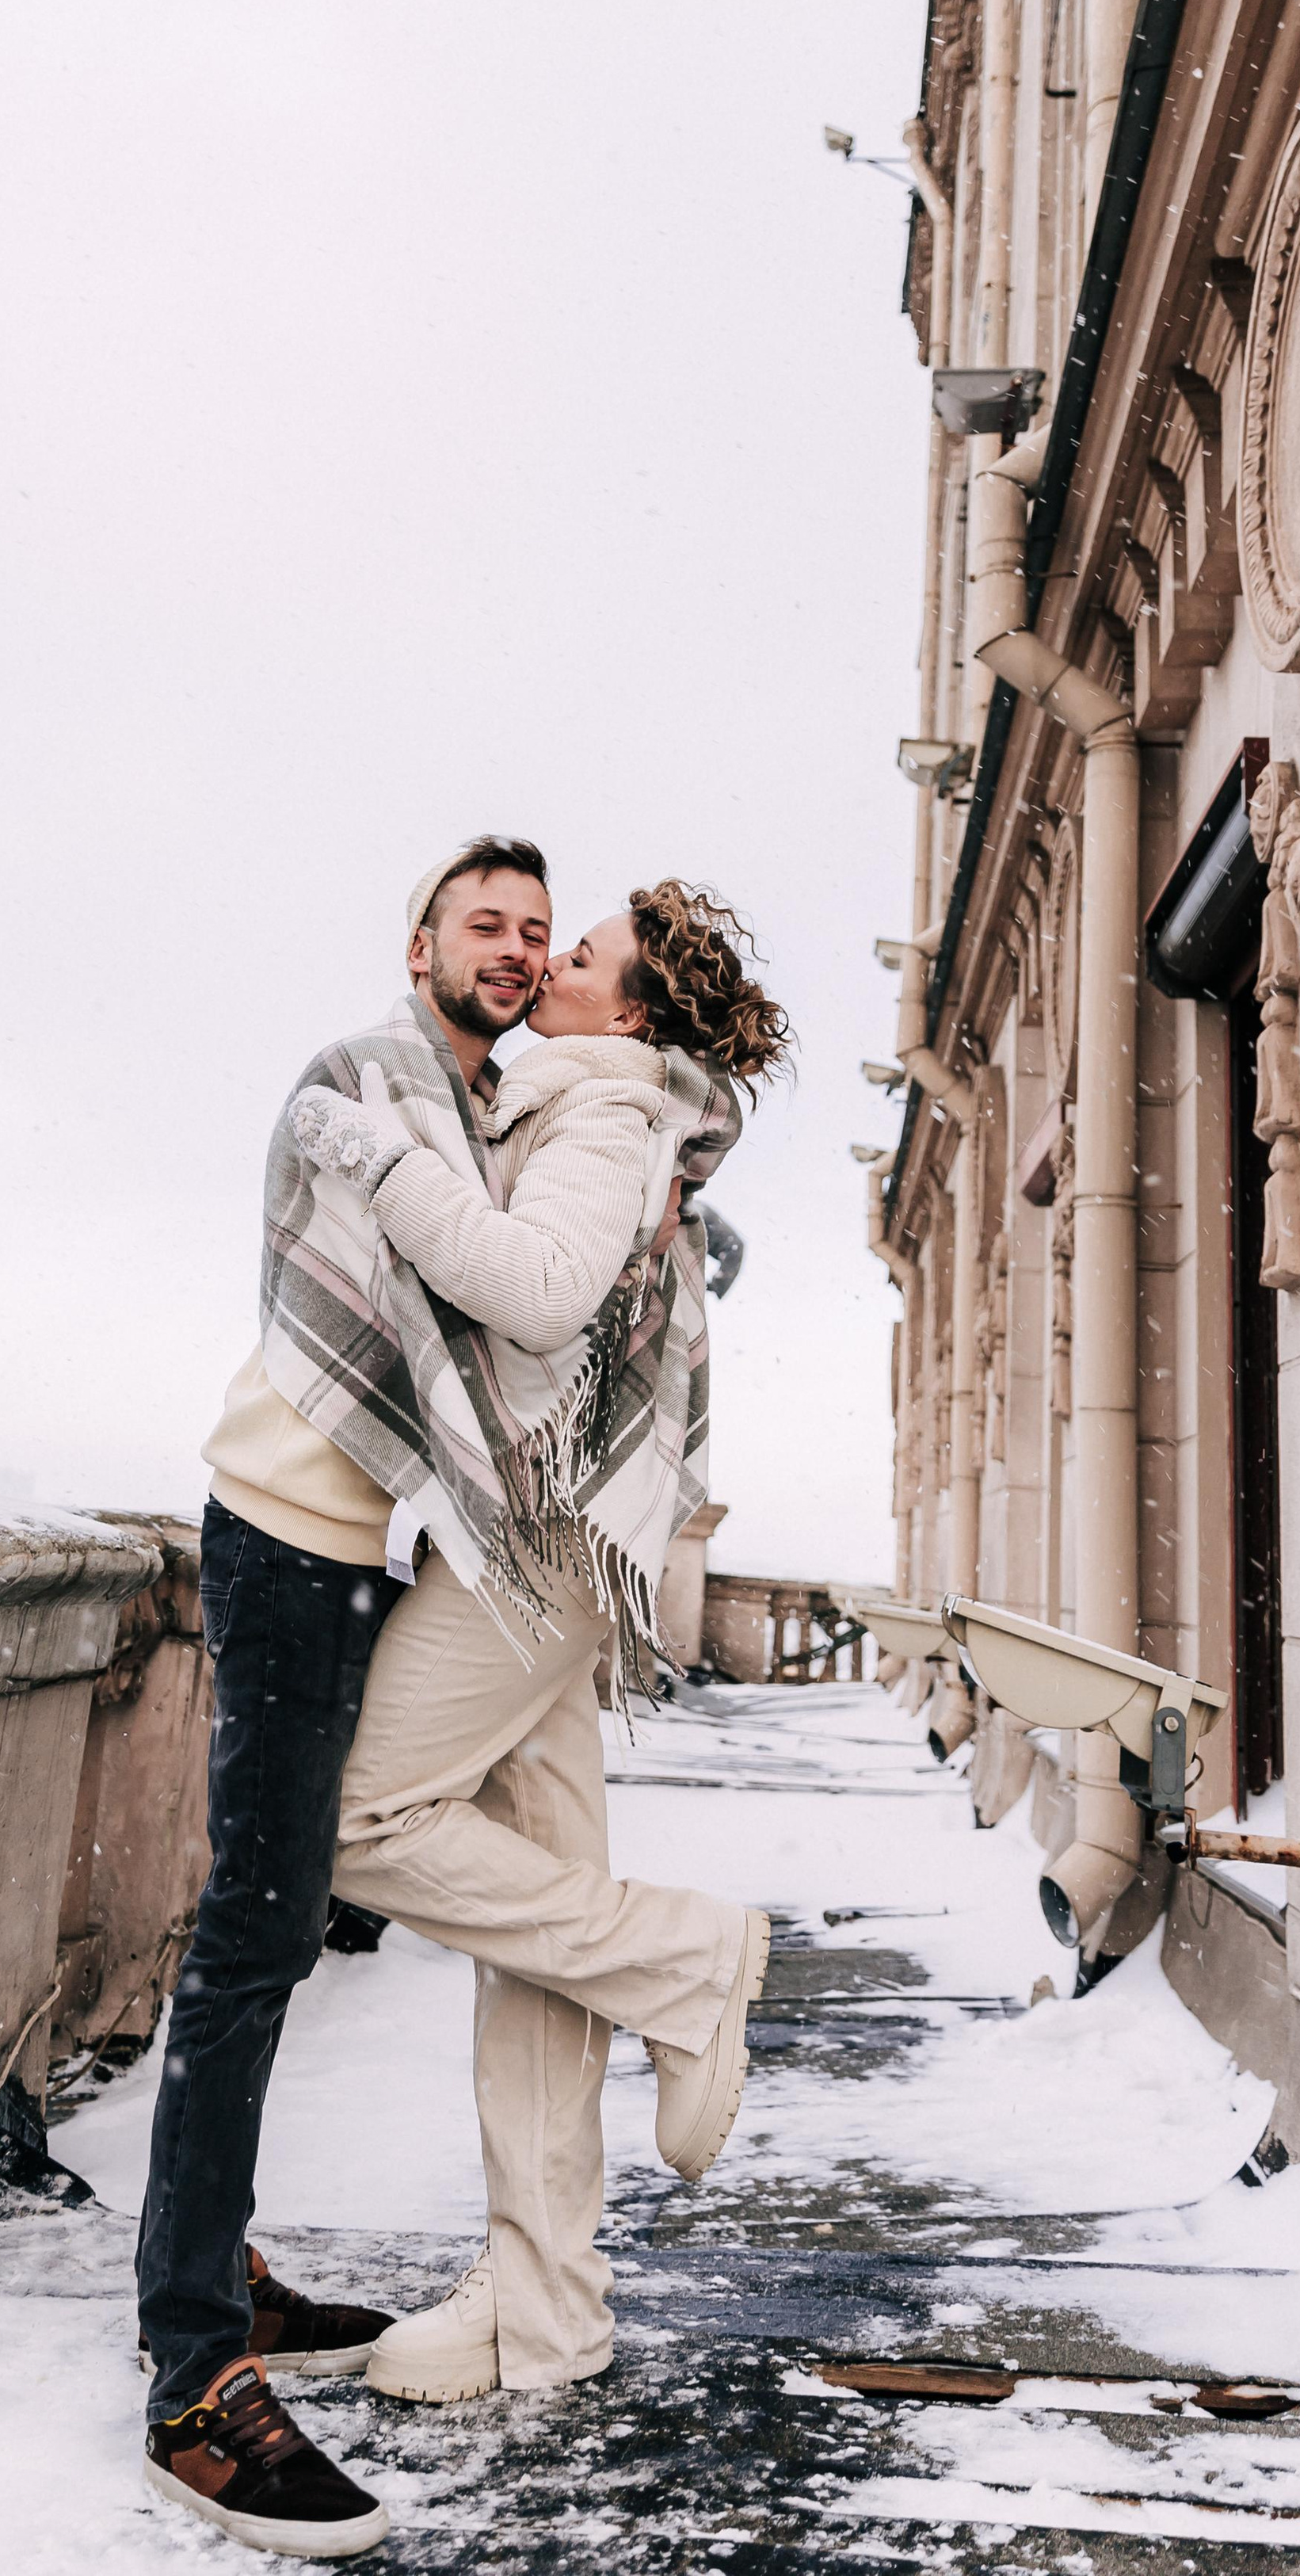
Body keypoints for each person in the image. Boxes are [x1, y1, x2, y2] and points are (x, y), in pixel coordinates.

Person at [300, 883, 793, 2408]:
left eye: (582, 958)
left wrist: (381, 1162)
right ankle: (548, 2307)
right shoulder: (596, 1105)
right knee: (538, 1936)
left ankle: (690, 1959)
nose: (552, 964)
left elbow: (532, 1291)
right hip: (573, 1536)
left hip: (547, 1546)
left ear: (632, 1012)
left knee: (361, 1819)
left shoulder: (599, 1110)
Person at [137, 839, 556, 2556]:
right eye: (488, 925)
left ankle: (212, 2263)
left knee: (299, 1905)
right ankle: (188, 2380)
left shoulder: (482, 1120)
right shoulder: (366, 1082)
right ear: (421, 944)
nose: (518, 952)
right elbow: (453, 1295)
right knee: (250, 1930)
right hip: (281, 1532)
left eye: (537, 930)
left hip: (359, 1544)